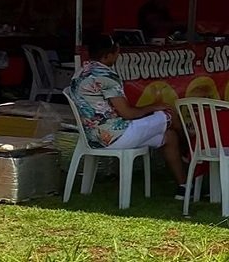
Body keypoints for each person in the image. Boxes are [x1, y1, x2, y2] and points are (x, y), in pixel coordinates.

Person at [66, 34, 187, 199]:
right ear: (108, 55)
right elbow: (127, 113)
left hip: (92, 137)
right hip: (117, 136)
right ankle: (190, 150)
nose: (118, 55)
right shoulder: (106, 76)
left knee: (170, 136)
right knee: (169, 113)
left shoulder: (81, 71)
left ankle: (184, 187)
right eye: (116, 52)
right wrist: (153, 107)